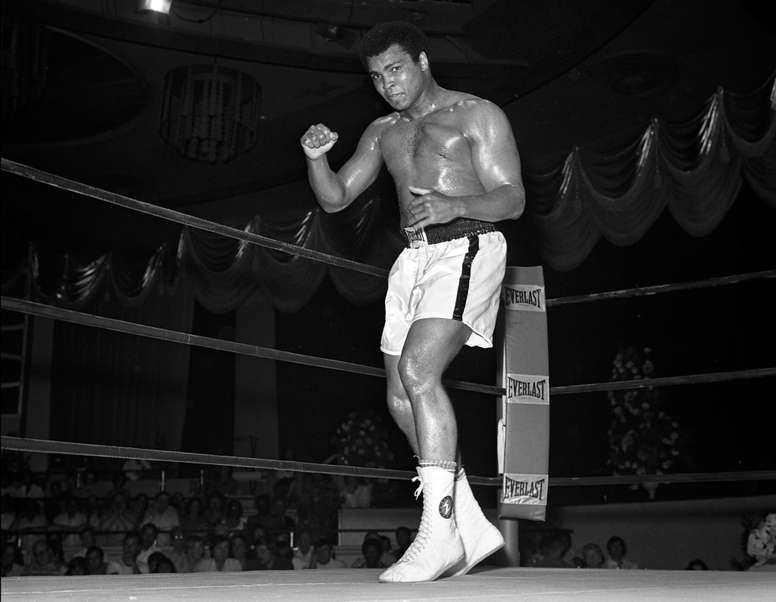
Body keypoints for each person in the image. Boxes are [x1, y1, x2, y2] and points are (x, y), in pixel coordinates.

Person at [301, 20, 524, 583]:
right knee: (400, 396)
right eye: (377, 77)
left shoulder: (477, 114)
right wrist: (314, 159)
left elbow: (513, 198)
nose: (388, 84)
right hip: (413, 259)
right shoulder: (382, 132)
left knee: (420, 372)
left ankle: (440, 529)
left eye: (396, 69)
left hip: (468, 243)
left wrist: (455, 206)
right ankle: (469, 521)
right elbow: (335, 199)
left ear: (422, 61)